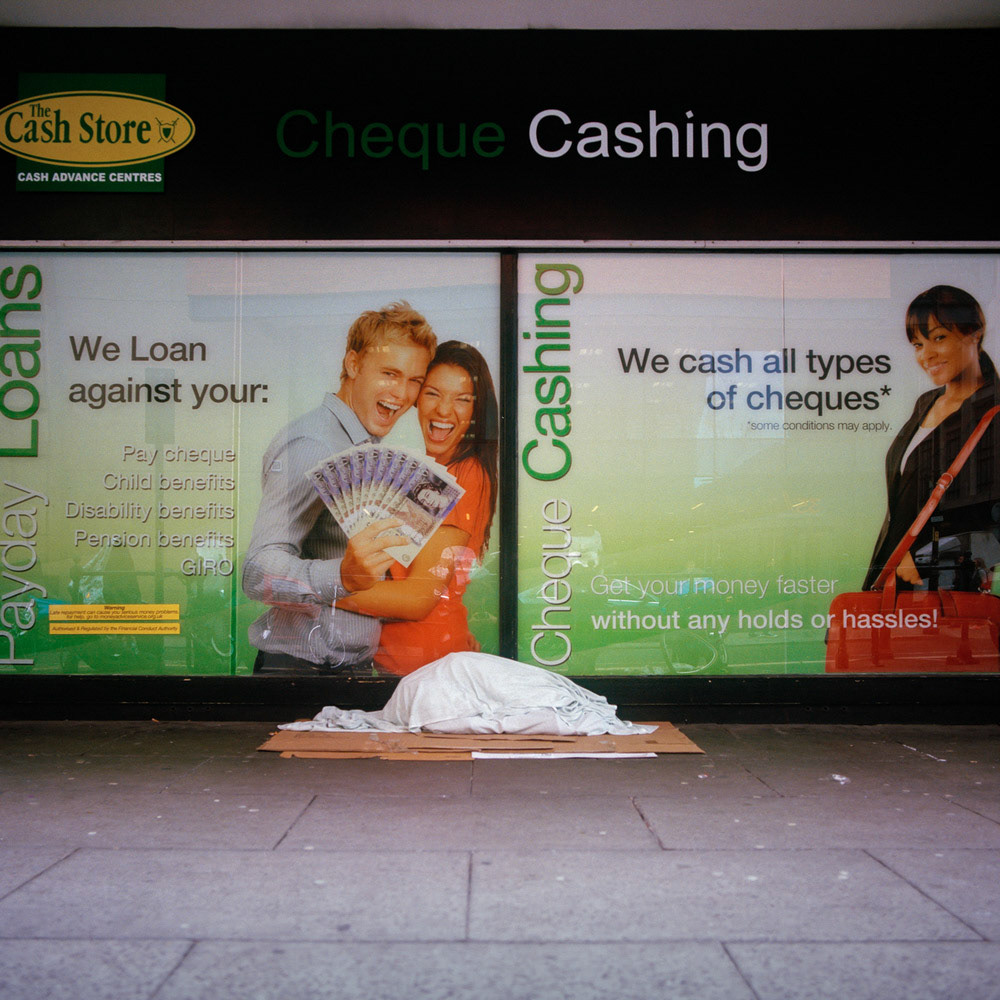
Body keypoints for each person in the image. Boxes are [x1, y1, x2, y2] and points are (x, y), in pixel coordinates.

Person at [242, 302, 436, 674]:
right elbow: (256, 571)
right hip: (300, 671)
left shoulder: (366, 448)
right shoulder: (312, 446)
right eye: (390, 373)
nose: (402, 393)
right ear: (352, 365)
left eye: (414, 380)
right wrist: (343, 578)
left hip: (351, 668)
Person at [335, 341, 499, 674]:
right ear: (416, 399)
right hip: (406, 658)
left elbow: (417, 598)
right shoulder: (427, 472)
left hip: (419, 664)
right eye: (433, 393)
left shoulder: (464, 475)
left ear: (476, 412)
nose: (443, 411)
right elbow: (403, 572)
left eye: (462, 400)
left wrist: (309, 589)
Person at [864, 285, 1000, 592]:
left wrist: (933, 557)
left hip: (945, 590)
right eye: (917, 344)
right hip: (892, 583)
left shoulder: (994, 412)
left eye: (939, 337)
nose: (927, 355)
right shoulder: (926, 403)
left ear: (974, 334)